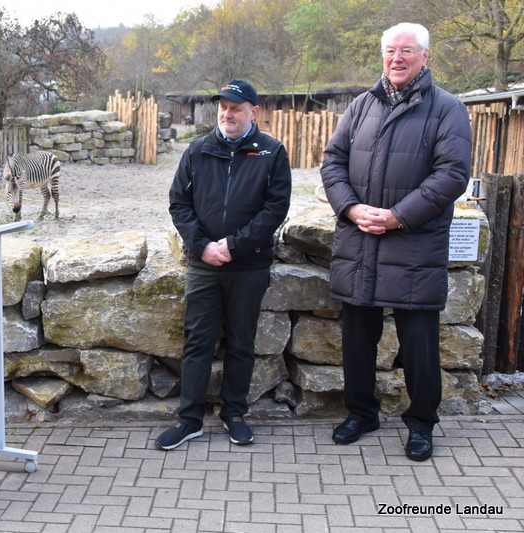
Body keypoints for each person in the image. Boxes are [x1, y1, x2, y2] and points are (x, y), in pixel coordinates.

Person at [321, 23, 472, 461]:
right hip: (361, 241)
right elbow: (332, 162)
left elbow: (451, 176)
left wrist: (396, 217)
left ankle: (422, 423)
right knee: (357, 339)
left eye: (407, 51)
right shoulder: (362, 106)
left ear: (425, 57)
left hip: (414, 244)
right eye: (390, 51)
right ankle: (361, 413)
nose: (397, 58)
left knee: (419, 345)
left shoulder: (447, 109)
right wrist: (350, 208)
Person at [157, 80, 292, 450]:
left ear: (254, 112)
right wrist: (202, 247)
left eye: (235, 107)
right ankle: (189, 419)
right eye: (223, 107)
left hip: (248, 266)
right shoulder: (198, 150)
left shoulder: (271, 152)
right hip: (204, 265)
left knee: (240, 343)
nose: (227, 113)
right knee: (197, 341)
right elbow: (178, 204)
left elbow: (275, 209)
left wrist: (234, 246)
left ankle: (234, 414)